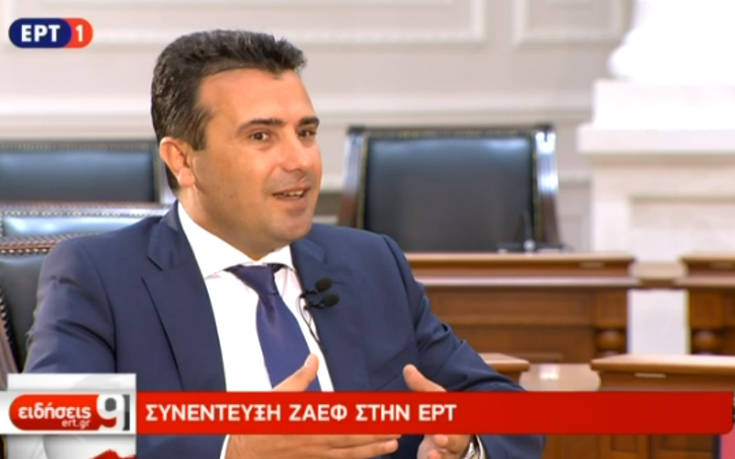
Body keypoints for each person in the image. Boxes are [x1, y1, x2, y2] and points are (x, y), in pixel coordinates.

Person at [24, 30, 545, 458]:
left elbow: (508, 411)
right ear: (182, 160)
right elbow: (48, 439)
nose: (299, 161)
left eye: (307, 132)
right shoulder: (100, 275)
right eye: (261, 136)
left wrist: (465, 442)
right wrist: (233, 449)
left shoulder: (371, 265)